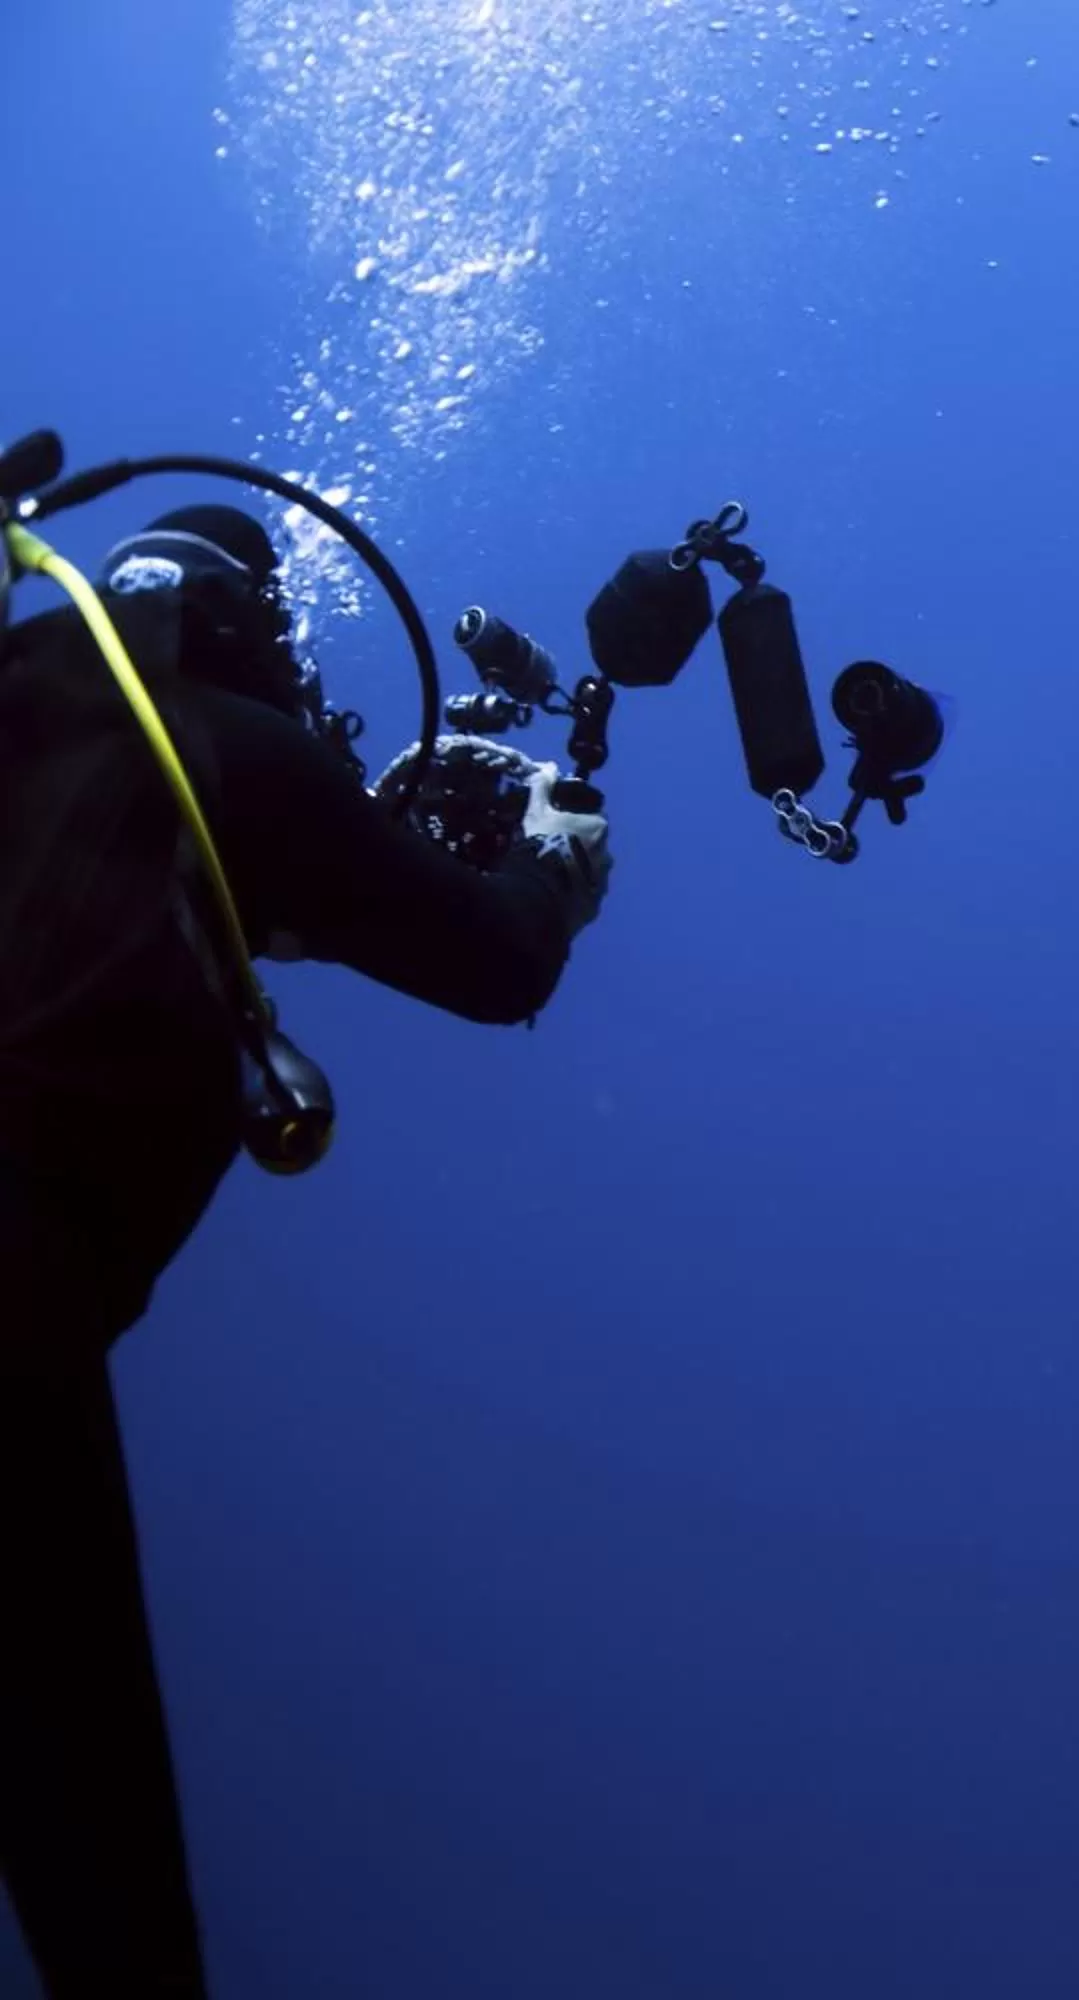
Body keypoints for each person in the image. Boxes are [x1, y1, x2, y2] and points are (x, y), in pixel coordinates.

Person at [0, 503, 614, 1997]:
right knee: (111, 1912)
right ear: (234, 633)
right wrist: (552, 861)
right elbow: (492, 960)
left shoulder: (36, 713)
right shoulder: (227, 743)